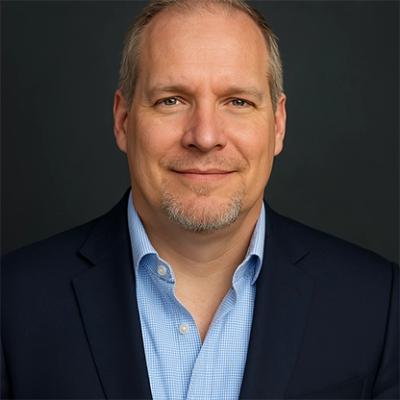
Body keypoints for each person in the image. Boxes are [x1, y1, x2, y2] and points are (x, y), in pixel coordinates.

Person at [1, 0, 398, 399]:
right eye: (171, 100)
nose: (205, 137)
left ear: (278, 125)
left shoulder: (378, 306)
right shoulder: (13, 303)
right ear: (123, 120)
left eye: (238, 102)